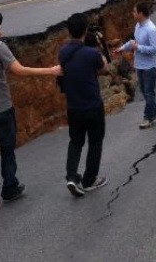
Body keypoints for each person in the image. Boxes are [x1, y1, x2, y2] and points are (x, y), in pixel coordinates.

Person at [0, 6, 61, 213]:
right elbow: (19, 70)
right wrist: (50, 71)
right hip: (1, 110)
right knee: (7, 152)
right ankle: (9, 188)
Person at [59, 13, 109, 198]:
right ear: (86, 30)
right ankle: (89, 180)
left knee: (76, 142)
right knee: (95, 142)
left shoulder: (63, 52)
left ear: (69, 31)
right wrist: (97, 47)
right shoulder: (92, 53)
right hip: (93, 105)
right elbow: (104, 69)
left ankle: (72, 176)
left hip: (73, 107)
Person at [113, 1, 156, 129]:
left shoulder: (151, 29)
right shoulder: (138, 26)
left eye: (134, 11)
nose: (132, 13)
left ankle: (148, 118)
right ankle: (155, 111)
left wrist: (138, 47)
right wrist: (122, 48)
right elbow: (134, 42)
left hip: (151, 67)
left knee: (149, 92)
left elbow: (155, 49)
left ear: (140, 13)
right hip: (140, 65)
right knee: (145, 92)